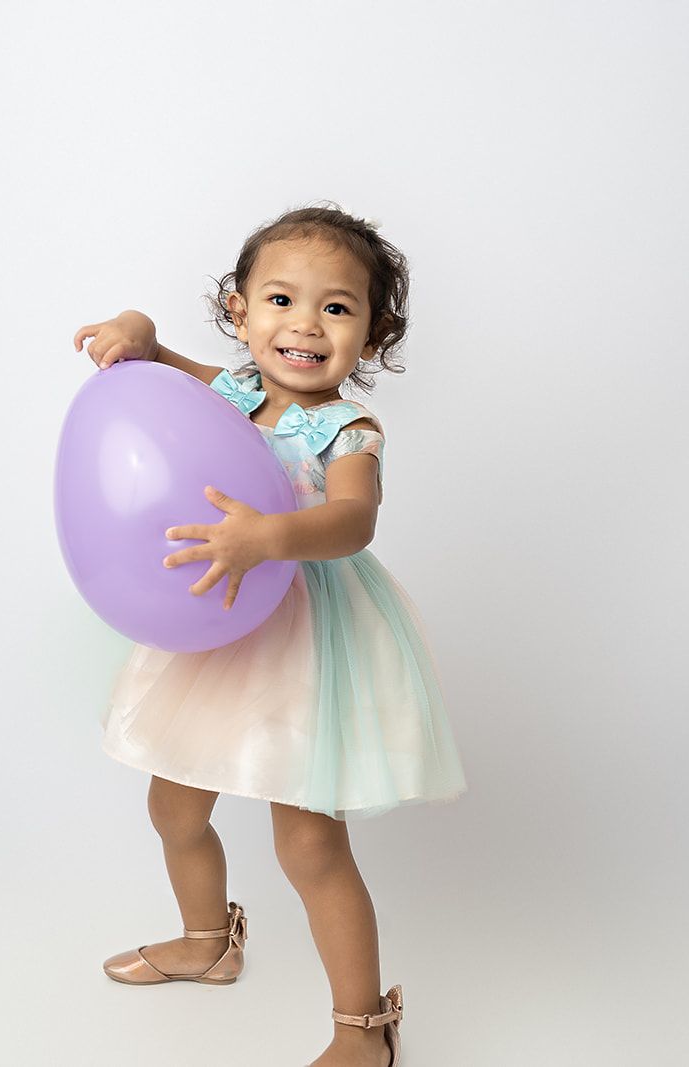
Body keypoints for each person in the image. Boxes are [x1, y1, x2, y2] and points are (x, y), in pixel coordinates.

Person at [71, 203, 466, 1067]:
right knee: (174, 805)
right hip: (218, 625)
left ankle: (364, 1028)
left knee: (310, 843)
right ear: (240, 310)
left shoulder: (348, 430)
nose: (305, 324)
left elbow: (353, 519)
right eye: (281, 299)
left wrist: (271, 536)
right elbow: (151, 359)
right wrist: (134, 328)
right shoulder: (230, 391)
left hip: (304, 641)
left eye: (337, 307)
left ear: (373, 332)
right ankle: (207, 939)